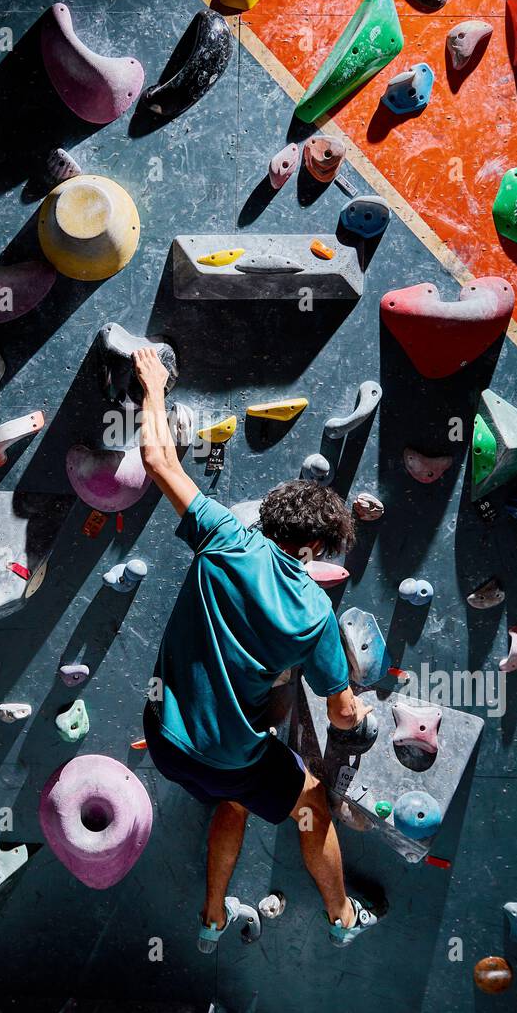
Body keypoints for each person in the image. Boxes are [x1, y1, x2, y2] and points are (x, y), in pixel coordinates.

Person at [133, 347, 385, 951]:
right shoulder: (316, 614)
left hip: (165, 740)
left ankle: (213, 918)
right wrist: (365, 711)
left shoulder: (221, 535)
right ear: (318, 547)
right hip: (233, 758)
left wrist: (152, 382)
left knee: (234, 800)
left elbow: (156, 456)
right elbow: (342, 714)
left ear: (268, 518)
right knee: (309, 805)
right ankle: (342, 917)